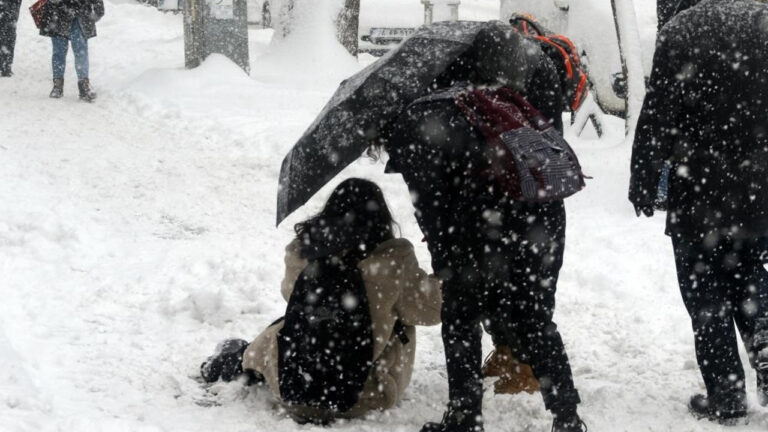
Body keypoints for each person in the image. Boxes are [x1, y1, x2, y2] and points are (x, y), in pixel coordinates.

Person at [377, 27, 585, 432]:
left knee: (461, 317)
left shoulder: (425, 113)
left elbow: (430, 201)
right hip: (537, 225)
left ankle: (464, 414)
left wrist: (445, 256)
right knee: (535, 318)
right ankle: (567, 415)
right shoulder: (511, 105)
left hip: (474, 229)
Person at [200, 178, 443, 423]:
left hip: (294, 387)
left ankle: (239, 362)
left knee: (290, 325)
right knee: (401, 314)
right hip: (364, 395)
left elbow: (289, 293)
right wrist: (441, 268)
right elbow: (434, 311)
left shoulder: (305, 252)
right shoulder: (393, 264)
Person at [630, 0, 768, 424]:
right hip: (759, 185)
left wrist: (644, 179)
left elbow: (658, 114)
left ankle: (726, 396)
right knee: (752, 275)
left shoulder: (681, 29)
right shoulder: (763, 21)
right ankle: (765, 345)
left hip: (700, 188)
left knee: (705, 290)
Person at [39, 0, 104, 101]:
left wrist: (98, 6)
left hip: (79, 12)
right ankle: (58, 85)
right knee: (59, 51)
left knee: (80, 51)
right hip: (58, 12)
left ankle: (83, 85)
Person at [0, 0, 21, 77]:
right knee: (9, 38)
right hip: (10, 12)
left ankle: (6, 66)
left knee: (9, 38)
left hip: (10, 12)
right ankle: (6, 66)